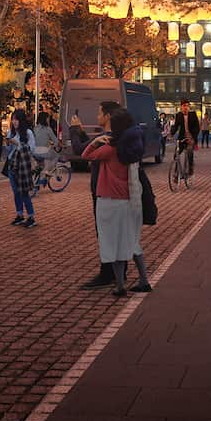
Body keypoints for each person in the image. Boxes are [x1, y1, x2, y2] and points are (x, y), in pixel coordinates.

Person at [82, 107, 151, 297]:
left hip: (109, 200)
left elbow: (85, 155)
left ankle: (120, 286)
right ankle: (144, 280)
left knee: (112, 244)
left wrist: (95, 141)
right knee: (131, 242)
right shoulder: (131, 148)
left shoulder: (109, 149)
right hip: (128, 200)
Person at [81, 101, 121, 290]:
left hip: (105, 191)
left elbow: (84, 154)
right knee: (113, 234)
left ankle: (108, 273)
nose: (97, 116)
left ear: (107, 117)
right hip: (112, 192)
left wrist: (79, 133)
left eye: (99, 113)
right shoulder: (117, 138)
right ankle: (117, 272)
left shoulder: (109, 141)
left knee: (106, 234)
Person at [6, 108, 37, 227]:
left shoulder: (28, 133)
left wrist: (17, 143)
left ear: (21, 120)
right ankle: (19, 215)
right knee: (16, 192)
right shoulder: (11, 133)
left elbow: (31, 149)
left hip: (23, 166)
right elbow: (8, 151)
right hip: (12, 165)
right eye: (13, 119)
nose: (14, 122)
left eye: (16, 119)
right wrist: (8, 144)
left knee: (24, 192)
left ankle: (31, 216)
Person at [170, 99, 200, 175]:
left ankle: (190, 168)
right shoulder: (178, 115)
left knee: (189, 151)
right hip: (182, 138)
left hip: (191, 137)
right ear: (181, 107)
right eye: (184, 106)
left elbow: (197, 128)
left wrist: (193, 138)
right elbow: (176, 126)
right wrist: (171, 134)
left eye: (187, 105)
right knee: (176, 154)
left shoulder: (193, 114)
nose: (186, 107)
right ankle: (176, 173)